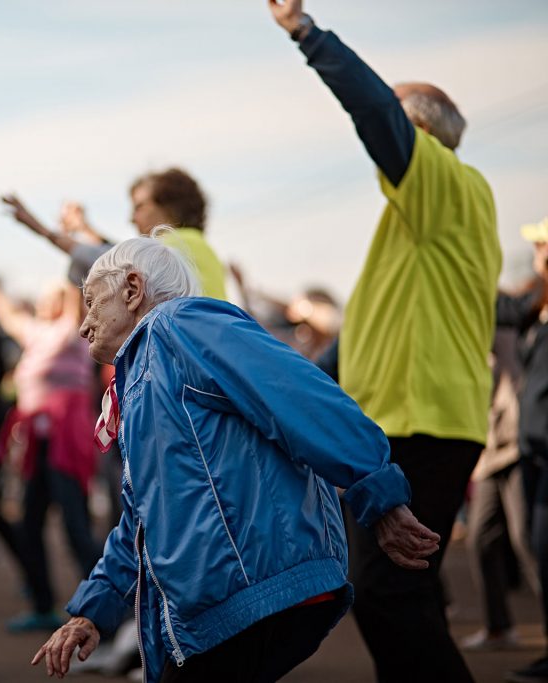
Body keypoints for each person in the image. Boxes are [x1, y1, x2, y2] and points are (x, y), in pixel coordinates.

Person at [31, 233, 438, 682]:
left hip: (250, 591)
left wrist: (377, 489)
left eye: (92, 302)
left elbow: (299, 395)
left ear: (132, 289)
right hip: (225, 604)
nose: (83, 324)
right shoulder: (142, 376)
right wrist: (93, 610)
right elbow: (141, 519)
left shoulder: (180, 325)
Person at [269, 1, 502, 679]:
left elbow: (374, 110)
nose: (381, 135)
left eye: (400, 118)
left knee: (386, 592)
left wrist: (307, 35)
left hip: (422, 422)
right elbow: (354, 346)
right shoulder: (416, 226)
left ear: (421, 130)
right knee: (402, 592)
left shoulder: (445, 182)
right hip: (409, 421)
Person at [0, 274, 101, 632]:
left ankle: (105, 610)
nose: (46, 303)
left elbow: (73, 302)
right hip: (40, 444)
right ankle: (43, 604)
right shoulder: (35, 335)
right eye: (44, 298)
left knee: (75, 525)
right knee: (29, 525)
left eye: (54, 298)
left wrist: (67, 286)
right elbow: (9, 317)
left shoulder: (73, 333)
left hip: (67, 441)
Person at [1, 166, 226, 299]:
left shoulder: (176, 244)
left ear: (169, 206)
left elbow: (113, 262)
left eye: (140, 206)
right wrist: (85, 229)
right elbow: (119, 253)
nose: (131, 218)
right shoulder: (193, 245)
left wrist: (40, 229)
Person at [463, 332, 539, 652]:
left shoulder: (501, 328)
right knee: (479, 538)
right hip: (489, 457)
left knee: (527, 539)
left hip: (515, 449)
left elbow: (508, 385)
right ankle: (498, 627)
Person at [499, 218, 548, 683]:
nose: (537, 254)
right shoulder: (535, 314)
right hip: (533, 450)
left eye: (542, 247)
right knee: (534, 544)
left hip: (540, 450)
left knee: (540, 546)